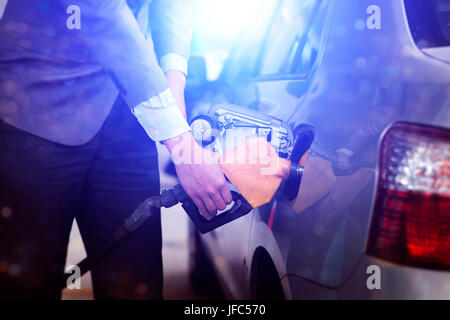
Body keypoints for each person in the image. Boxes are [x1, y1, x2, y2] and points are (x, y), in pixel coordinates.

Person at [0, 0, 231, 299]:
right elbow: (104, 13)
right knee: (28, 283)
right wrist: (180, 143)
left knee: (136, 285)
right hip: (38, 110)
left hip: (126, 115)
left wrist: (174, 83)